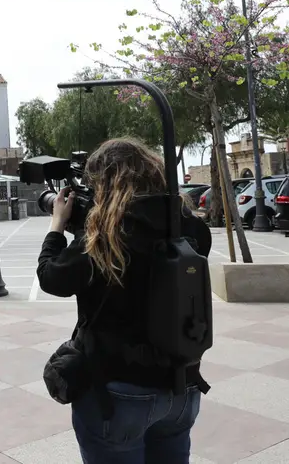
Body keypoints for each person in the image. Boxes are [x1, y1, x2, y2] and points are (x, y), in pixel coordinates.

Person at [37, 138, 212, 464]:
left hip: (119, 392)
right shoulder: (189, 226)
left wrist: (58, 225)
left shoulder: (107, 235)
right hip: (182, 387)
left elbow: (52, 278)